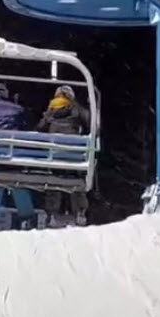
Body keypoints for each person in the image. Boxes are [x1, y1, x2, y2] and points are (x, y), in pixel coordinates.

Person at [0, 82, 36, 231]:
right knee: (17, 181)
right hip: (15, 155)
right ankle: (27, 218)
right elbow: (27, 131)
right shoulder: (18, 109)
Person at [37, 85, 91, 227]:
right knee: (77, 178)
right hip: (73, 154)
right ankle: (80, 212)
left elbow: (40, 127)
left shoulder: (51, 109)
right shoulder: (76, 108)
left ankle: (52, 213)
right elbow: (90, 122)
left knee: (54, 178)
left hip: (55, 155)